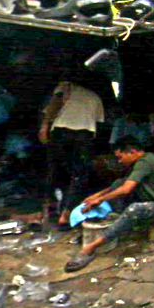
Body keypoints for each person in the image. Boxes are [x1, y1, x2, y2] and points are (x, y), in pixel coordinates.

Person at [64, 137, 154, 272]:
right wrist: (96, 196)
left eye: (120, 157)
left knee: (134, 209)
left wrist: (100, 200)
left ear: (132, 152)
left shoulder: (145, 162)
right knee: (118, 185)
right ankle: (107, 233)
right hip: (150, 203)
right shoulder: (141, 162)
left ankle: (91, 247)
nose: (119, 161)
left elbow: (126, 189)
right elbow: (120, 184)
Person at [40, 76, 105, 227]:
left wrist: (44, 126)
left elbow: (54, 105)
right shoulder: (95, 97)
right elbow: (98, 123)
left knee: (55, 170)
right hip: (84, 136)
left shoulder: (66, 86)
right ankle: (66, 213)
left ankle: (47, 209)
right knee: (79, 175)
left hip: (61, 133)